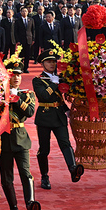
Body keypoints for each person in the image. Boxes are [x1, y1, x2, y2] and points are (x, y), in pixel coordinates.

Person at [32, 51, 83, 189]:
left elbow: (59, 98)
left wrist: (66, 109)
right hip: (45, 116)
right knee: (44, 149)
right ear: (42, 64)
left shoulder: (59, 78)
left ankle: (73, 169)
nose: (52, 64)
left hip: (59, 115)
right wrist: (54, 84)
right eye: (48, 62)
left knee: (65, 143)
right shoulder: (38, 80)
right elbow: (44, 96)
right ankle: (44, 176)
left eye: (54, 62)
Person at [0, 61, 41, 210]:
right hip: (3, 139)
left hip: (21, 138)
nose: (16, 77)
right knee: (6, 177)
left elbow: (30, 112)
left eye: (18, 74)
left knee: (26, 173)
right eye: (12, 74)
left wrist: (15, 98)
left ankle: (30, 203)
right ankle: (13, 209)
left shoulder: (27, 94)